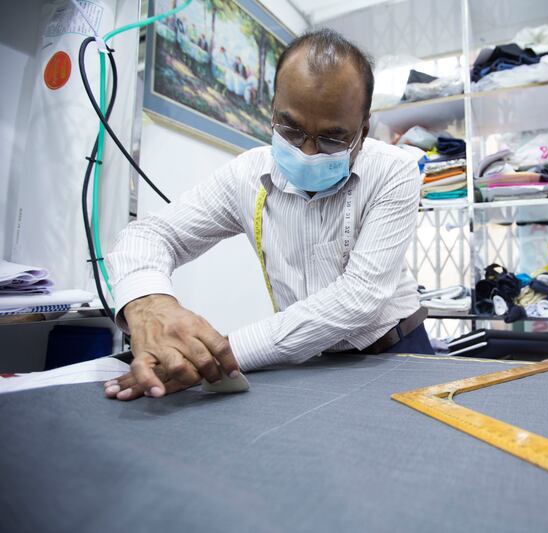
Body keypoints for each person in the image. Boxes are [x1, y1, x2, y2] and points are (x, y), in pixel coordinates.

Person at [103, 29, 431, 401]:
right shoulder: (245, 177)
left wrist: (218, 355)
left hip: (395, 352)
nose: (308, 152)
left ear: (363, 130)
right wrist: (149, 303)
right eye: (291, 130)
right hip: (307, 361)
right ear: (272, 108)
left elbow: (359, 297)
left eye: (332, 139)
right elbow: (149, 235)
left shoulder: (395, 172)